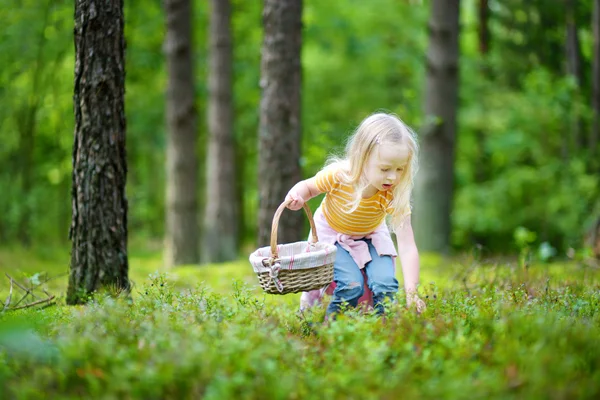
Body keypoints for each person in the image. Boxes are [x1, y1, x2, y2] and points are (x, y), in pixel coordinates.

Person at [285, 112, 426, 317]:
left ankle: (381, 332)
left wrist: (413, 293)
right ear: (362, 157)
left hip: (371, 235)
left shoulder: (394, 193)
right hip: (332, 235)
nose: (393, 177)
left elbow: (407, 245)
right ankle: (330, 328)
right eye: (385, 168)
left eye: (400, 169)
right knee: (351, 285)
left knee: (385, 285)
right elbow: (308, 187)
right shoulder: (339, 176)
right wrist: (297, 196)